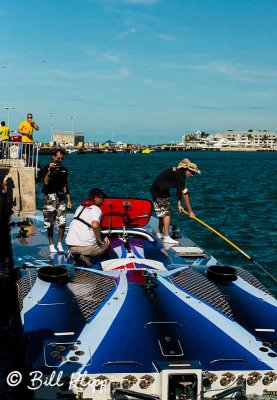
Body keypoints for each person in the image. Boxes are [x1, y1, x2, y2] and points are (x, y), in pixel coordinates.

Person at [150, 158, 200, 245]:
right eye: (192, 172)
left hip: (158, 191)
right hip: (159, 192)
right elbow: (185, 194)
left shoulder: (179, 173)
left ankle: (159, 233)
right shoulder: (180, 175)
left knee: (163, 213)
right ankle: (166, 237)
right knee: (166, 214)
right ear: (187, 169)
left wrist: (179, 204)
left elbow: (178, 190)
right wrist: (190, 211)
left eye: (194, 174)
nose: (192, 175)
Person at [66, 188, 110, 265]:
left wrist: (101, 235)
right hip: (85, 248)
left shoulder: (80, 207)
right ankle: (93, 262)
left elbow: (85, 225)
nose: (103, 200)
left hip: (70, 245)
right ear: (96, 198)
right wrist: (100, 240)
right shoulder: (96, 209)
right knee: (106, 245)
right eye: (102, 198)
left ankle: (78, 255)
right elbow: (95, 226)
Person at [41, 148, 72, 253]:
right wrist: (49, 170)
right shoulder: (46, 168)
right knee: (49, 222)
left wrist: (69, 200)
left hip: (61, 197)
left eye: (61, 159)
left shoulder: (64, 170)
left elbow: (65, 185)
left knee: (62, 222)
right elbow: (45, 182)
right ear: (54, 157)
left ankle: (59, 243)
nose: (60, 160)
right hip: (49, 197)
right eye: (58, 158)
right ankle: (51, 245)